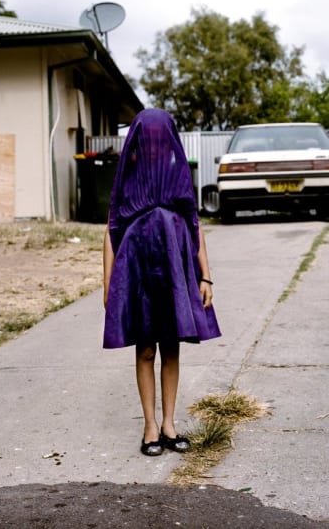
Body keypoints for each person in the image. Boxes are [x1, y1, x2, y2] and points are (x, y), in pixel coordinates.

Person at [102, 108, 221, 457]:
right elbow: (110, 230)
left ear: (168, 141)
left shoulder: (177, 175)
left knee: (171, 346)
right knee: (145, 348)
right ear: (138, 141)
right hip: (136, 270)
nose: (154, 146)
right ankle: (150, 426)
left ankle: (169, 423)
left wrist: (206, 276)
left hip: (174, 267)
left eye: (160, 139)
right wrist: (108, 283)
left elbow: (195, 226)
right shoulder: (129, 177)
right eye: (147, 139)